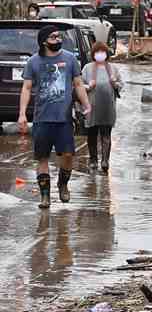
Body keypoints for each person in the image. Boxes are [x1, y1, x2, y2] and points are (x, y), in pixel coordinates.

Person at [18, 26, 91, 209]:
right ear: (44, 41)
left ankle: (63, 184)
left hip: (64, 118)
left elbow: (78, 84)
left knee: (67, 155)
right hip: (42, 119)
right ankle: (44, 197)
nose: (58, 39)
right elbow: (26, 88)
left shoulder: (69, 59)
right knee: (42, 158)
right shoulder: (33, 62)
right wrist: (21, 114)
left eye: (59, 36)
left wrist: (86, 104)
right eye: (53, 37)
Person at [81, 42, 123, 173]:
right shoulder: (87, 68)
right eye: (97, 52)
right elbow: (79, 86)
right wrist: (88, 86)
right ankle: (93, 160)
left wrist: (115, 83)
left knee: (106, 134)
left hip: (107, 106)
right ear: (93, 54)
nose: (100, 55)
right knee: (92, 134)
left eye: (103, 52)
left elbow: (121, 85)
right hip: (91, 106)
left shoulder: (113, 68)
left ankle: (105, 160)